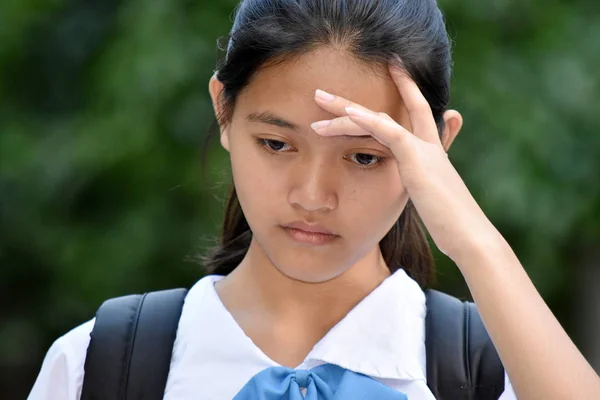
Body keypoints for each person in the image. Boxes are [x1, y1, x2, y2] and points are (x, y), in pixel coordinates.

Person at [28, 0, 600, 399]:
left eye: (364, 155)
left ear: (436, 148)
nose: (312, 196)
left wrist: (474, 242)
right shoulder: (97, 366)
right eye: (276, 143)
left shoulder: (492, 371)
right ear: (223, 109)